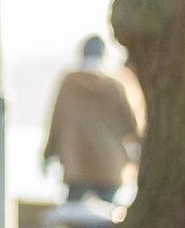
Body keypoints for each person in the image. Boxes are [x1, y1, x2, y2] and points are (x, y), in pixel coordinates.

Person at [43, 35, 145, 204]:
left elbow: (56, 121)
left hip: (76, 162)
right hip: (110, 165)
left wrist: (48, 154)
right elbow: (131, 126)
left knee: (74, 215)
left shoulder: (69, 83)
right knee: (108, 217)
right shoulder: (115, 86)